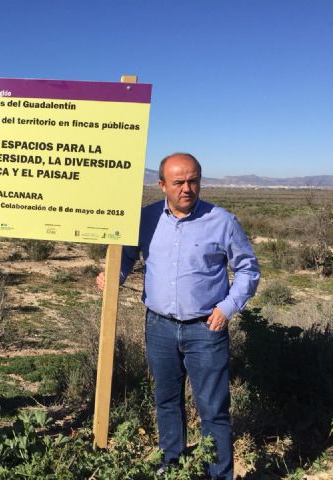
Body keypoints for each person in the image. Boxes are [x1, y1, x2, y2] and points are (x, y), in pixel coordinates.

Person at [96, 153, 260, 480]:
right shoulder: (145, 219)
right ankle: (171, 469)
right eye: (179, 182)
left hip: (206, 328)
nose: (187, 188)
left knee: (213, 409)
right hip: (159, 326)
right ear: (162, 185)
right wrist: (115, 275)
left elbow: (247, 269)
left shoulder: (222, 221)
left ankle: (219, 474)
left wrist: (227, 308)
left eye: (193, 181)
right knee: (167, 401)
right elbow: (127, 255)